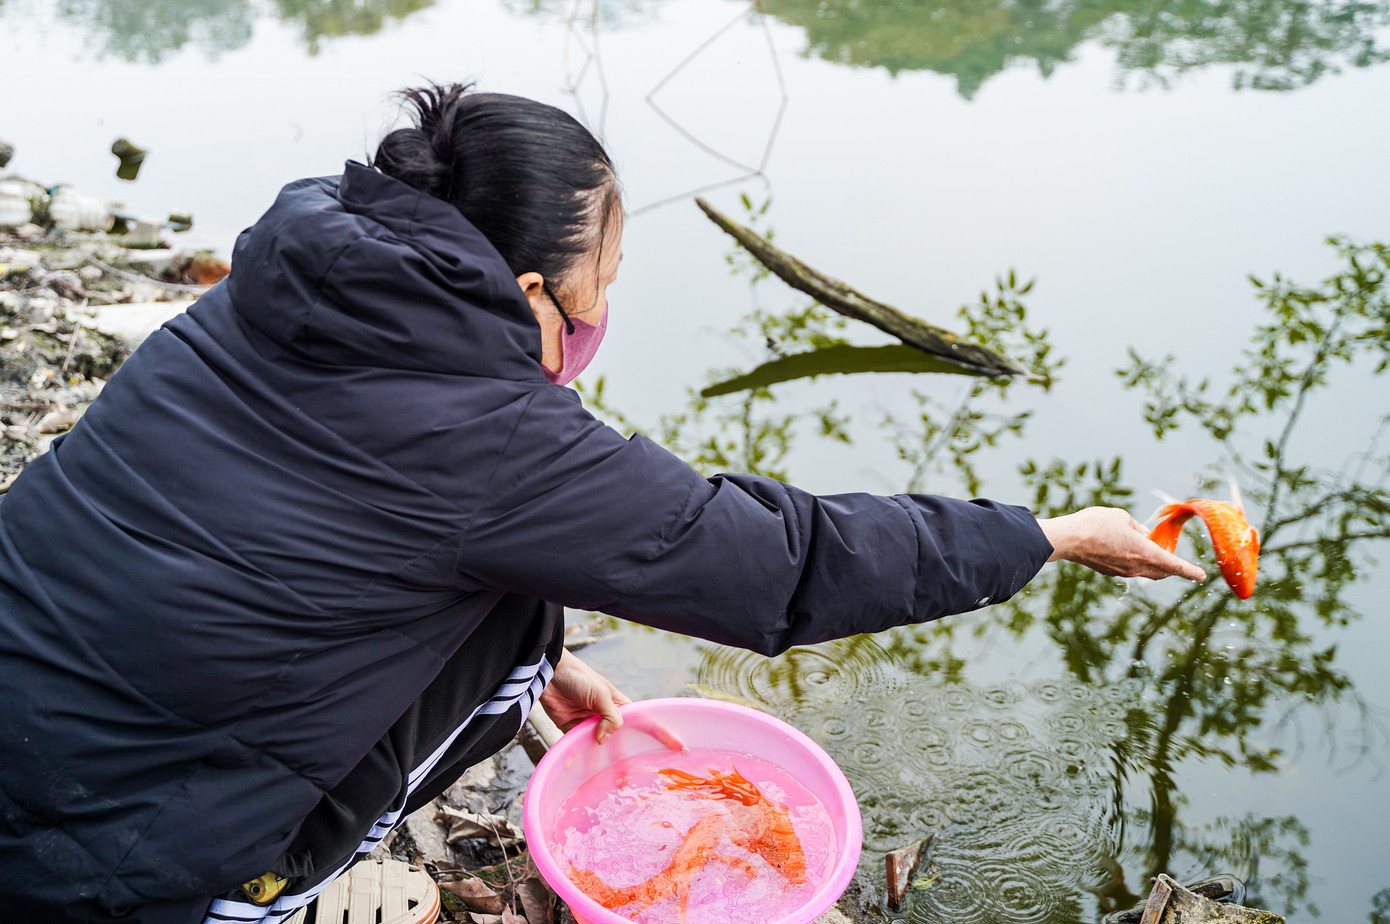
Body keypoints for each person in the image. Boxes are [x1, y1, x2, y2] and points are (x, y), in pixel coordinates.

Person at [0, 84, 1203, 924]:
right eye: (604, 280)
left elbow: (347, 538)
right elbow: (780, 562)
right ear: (531, 292)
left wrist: (532, 665)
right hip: (105, 855)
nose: (604, 306)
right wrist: (1041, 536)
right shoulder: (493, 437)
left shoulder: (277, 300)